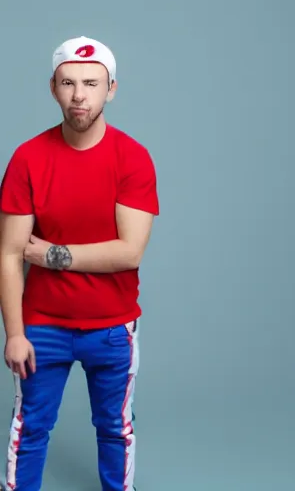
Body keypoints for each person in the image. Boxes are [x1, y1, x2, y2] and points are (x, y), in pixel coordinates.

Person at [0, 36, 159, 491]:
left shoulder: (133, 158)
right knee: (29, 431)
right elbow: (10, 253)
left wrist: (45, 253)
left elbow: (128, 252)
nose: (79, 95)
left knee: (115, 429)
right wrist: (14, 333)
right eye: (68, 82)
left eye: (91, 83)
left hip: (112, 328)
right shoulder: (28, 158)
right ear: (53, 88)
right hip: (41, 327)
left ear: (111, 89)